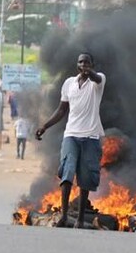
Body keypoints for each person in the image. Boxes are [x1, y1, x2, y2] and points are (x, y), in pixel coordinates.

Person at [35, 52, 106, 228]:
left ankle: (81, 219)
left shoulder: (98, 81)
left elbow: (96, 78)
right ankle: (64, 216)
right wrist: (45, 126)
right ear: (77, 65)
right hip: (71, 135)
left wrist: (90, 73)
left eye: (87, 62)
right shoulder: (69, 84)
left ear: (92, 64)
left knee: (86, 179)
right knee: (66, 173)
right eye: (81, 62)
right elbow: (61, 110)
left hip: (90, 136)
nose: (84, 65)